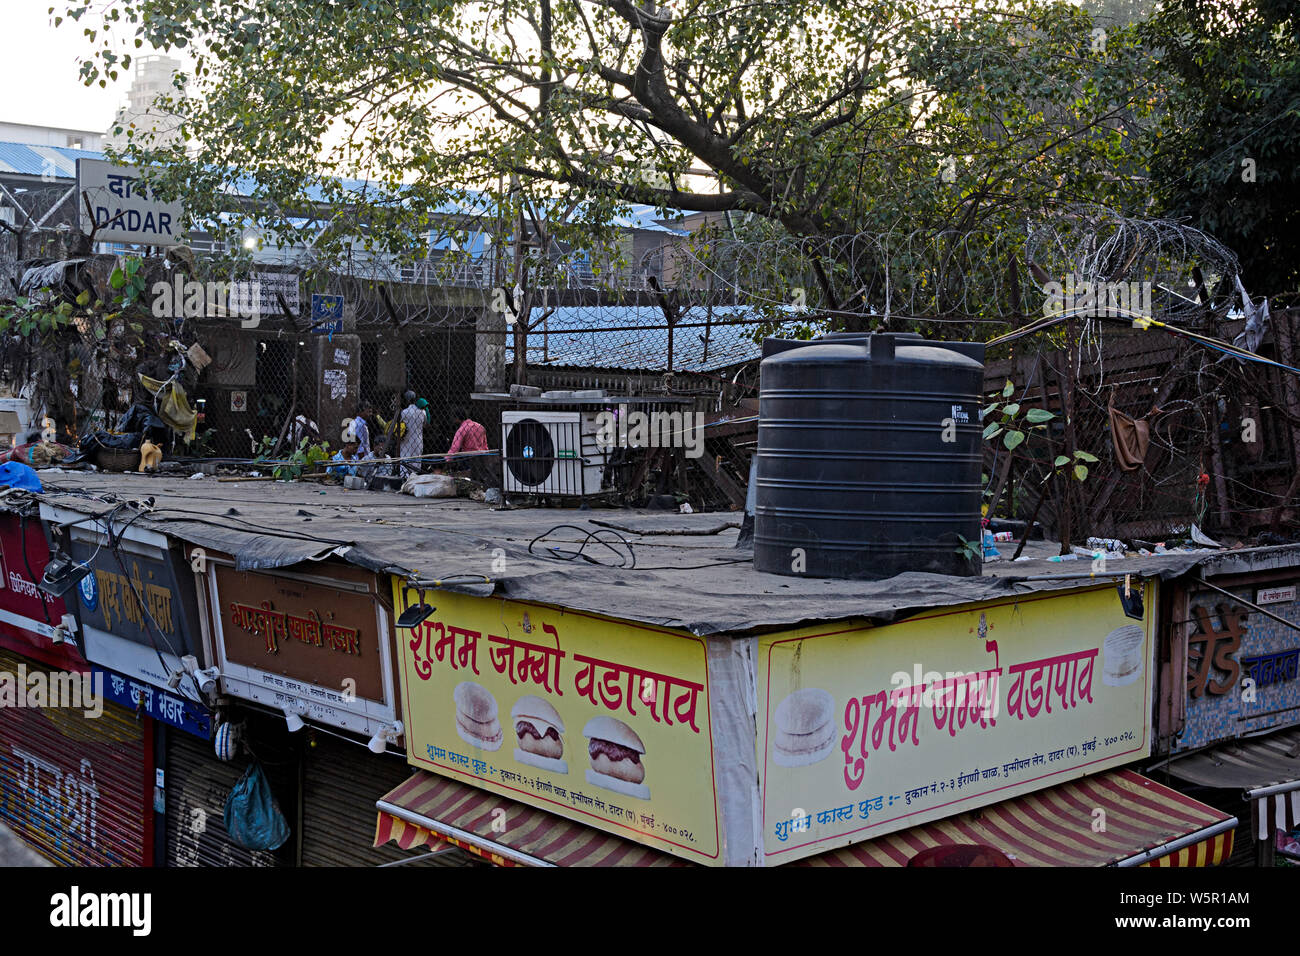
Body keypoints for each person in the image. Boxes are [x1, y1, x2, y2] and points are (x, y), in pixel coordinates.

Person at [398, 390, 426, 476]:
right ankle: (415, 479)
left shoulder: (404, 412)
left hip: (406, 439)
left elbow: (400, 425)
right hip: (418, 439)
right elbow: (425, 425)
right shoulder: (422, 412)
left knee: (405, 459)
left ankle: (404, 478)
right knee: (416, 461)